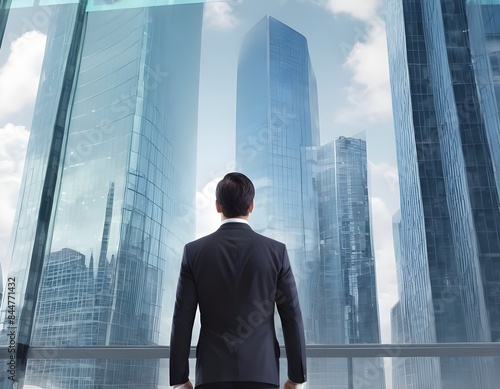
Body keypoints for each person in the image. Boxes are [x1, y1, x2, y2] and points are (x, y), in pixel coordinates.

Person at [170, 172, 307, 389]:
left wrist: (179, 379)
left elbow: (182, 320)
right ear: (251, 206)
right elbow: (292, 317)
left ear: (217, 206)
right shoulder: (276, 252)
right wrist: (296, 377)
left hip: (212, 376)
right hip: (262, 374)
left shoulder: (194, 252)